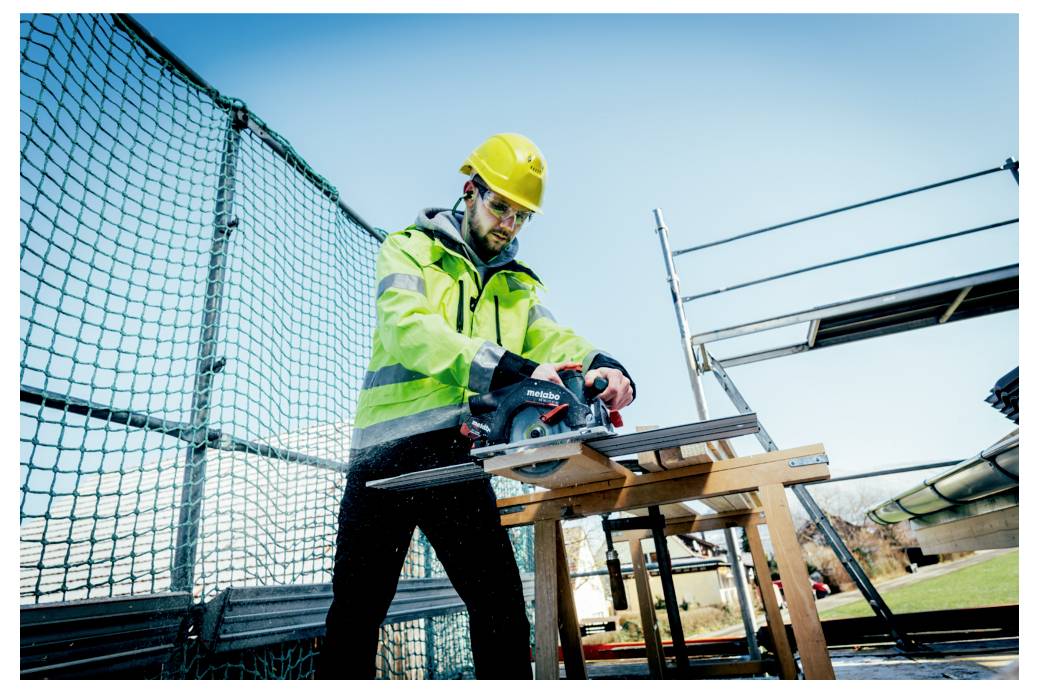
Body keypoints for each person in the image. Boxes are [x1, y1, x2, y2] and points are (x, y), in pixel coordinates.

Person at [317, 133, 636, 679]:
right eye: (500, 207)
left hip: (457, 454)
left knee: (500, 605)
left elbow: (553, 339)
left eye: (521, 216)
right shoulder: (409, 248)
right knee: (357, 611)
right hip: (385, 455)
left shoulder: (516, 287)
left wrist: (602, 365)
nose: (509, 224)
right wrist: (509, 368)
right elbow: (408, 329)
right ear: (470, 192)